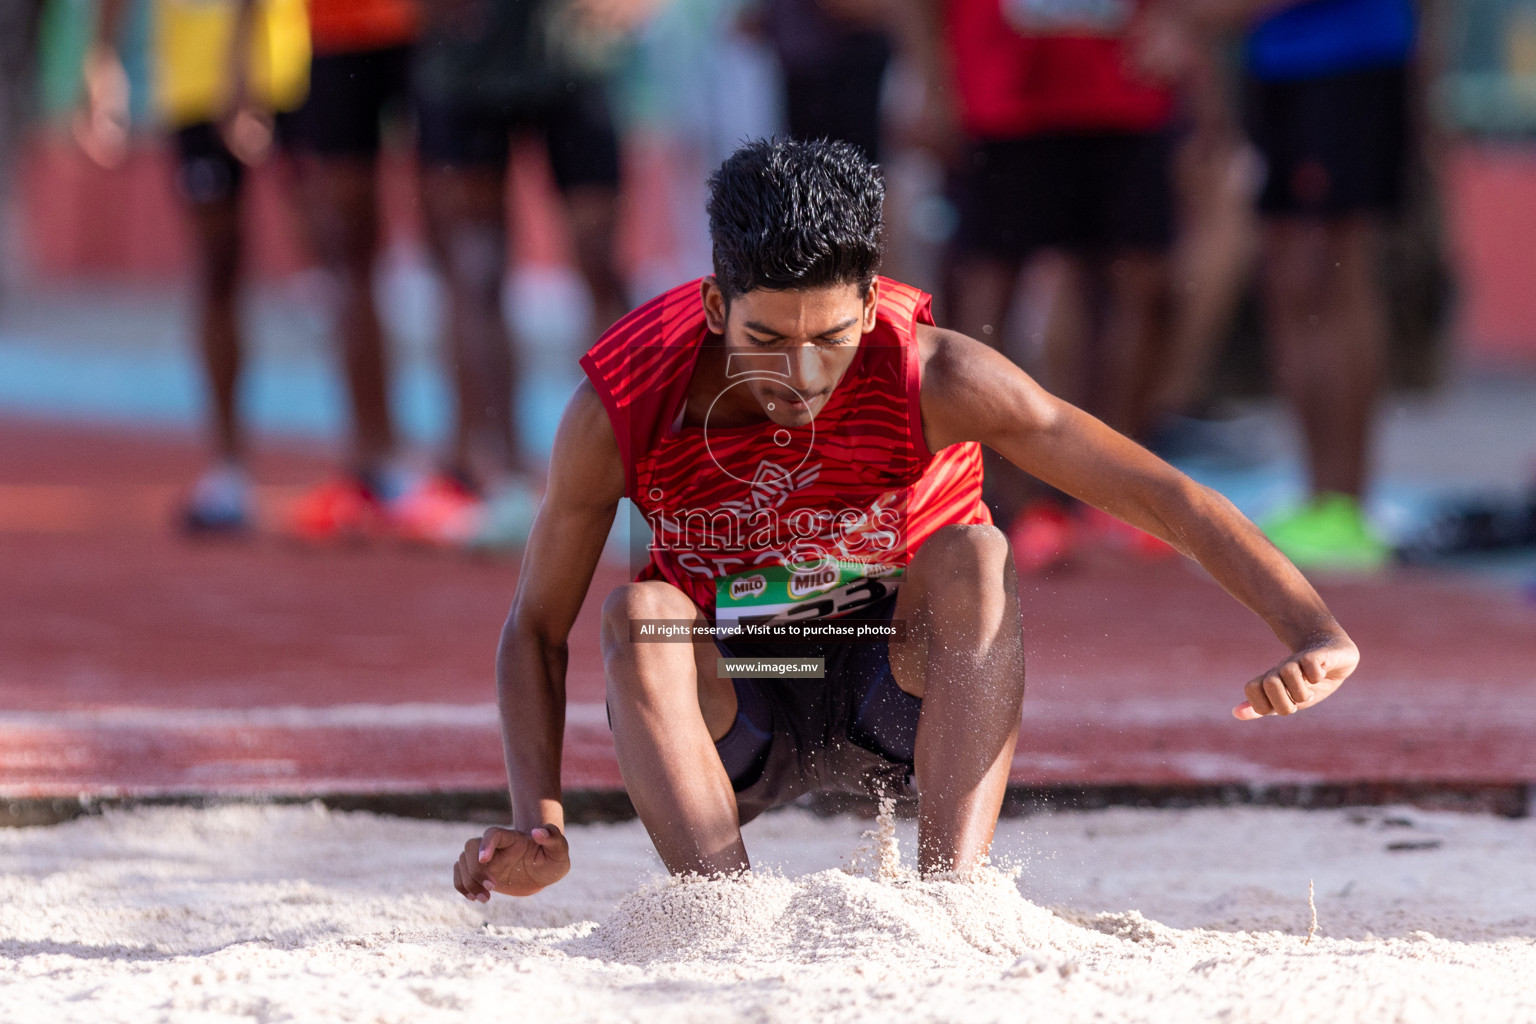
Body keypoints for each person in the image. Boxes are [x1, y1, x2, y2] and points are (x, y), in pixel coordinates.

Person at [449, 139, 1360, 898]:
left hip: (897, 683)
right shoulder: (622, 408)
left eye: (832, 341)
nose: (801, 379)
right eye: (766, 341)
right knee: (636, 618)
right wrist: (542, 826)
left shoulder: (941, 376)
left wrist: (1313, 630)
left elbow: (1163, 493)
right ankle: (720, 911)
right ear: (717, 306)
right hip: (748, 690)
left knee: (974, 552)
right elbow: (535, 629)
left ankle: (946, 902)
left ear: (871, 302)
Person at [901, 0, 1185, 570]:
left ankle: (1115, 493)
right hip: (1003, 86)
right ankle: (1011, 497)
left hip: (1126, 82)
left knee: (1140, 288)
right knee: (988, 289)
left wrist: (1183, 23)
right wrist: (930, 75)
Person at [403, 0, 632, 549]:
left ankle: (626, 477)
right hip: (467, 65)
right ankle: (504, 482)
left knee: (600, 259)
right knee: (477, 270)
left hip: (570, 56)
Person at [81, 0, 310, 533]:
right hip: (191, 84)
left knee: (335, 254)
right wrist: (104, 63)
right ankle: (229, 470)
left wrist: (240, 68)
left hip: (280, 71)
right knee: (216, 272)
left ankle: (373, 469)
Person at [1236, 0, 1416, 571]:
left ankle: (1346, 504)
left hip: (1348, 62)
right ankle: (1318, 496)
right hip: (1276, 63)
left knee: (1334, 274)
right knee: (1289, 281)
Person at [281, 0, 421, 542]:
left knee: (456, 239)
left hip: (423, 29)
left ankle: (467, 471)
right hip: (330, 35)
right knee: (344, 247)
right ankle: (371, 462)